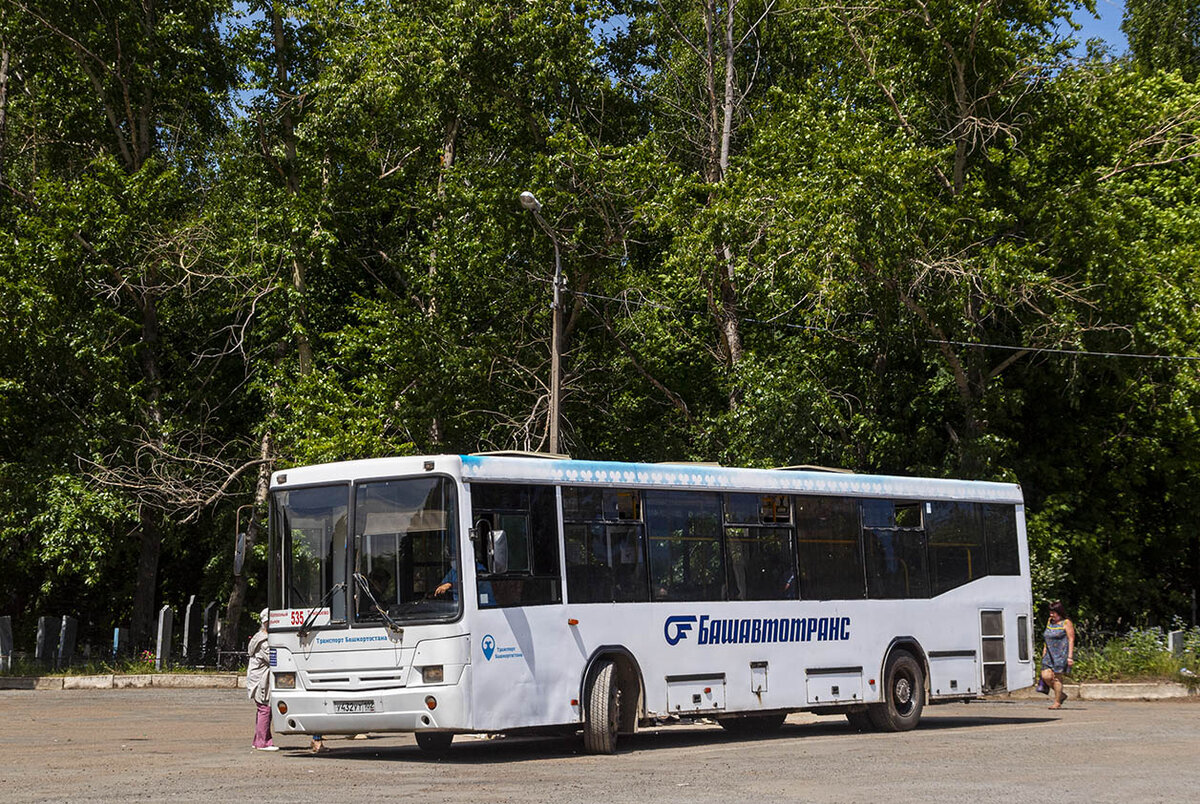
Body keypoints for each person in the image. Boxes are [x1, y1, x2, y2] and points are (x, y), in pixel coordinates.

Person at [247, 608, 277, 750]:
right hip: (261, 681)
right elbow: (274, 660)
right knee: (265, 709)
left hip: (258, 679)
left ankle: (258, 740)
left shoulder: (258, 637)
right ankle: (263, 742)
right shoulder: (264, 642)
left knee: (262, 709)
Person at [1040, 600, 1075, 710]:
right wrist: (1044, 650)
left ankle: (1057, 702)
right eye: (1050, 612)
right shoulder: (1049, 622)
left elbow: (1071, 639)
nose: (1051, 615)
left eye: (1053, 613)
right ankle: (1061, 695)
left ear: (1059, 612)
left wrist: (1070, 657)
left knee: (1057, 678)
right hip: (1049, 654)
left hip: (1061, 654)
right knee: (1045, 676)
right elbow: (1046, 637)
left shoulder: (1066, 623)